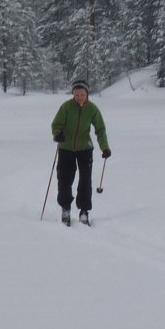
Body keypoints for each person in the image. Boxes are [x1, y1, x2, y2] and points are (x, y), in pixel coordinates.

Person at [51, 80, 110, 226]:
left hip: (85, 149)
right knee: (64, 179)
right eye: (76, 94)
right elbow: (56, 124)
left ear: (87, 94)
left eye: (82, 94)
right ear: (73, 94)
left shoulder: (92, 109)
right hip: (66, 148)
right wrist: (58, 134)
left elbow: (100, 129)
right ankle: (65, 208)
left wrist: (105, 148)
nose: (79, 97)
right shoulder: (66, 107)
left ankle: (84, 211)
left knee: (85, 180)